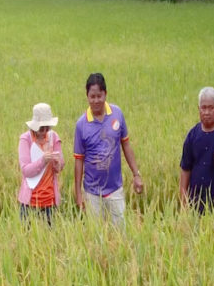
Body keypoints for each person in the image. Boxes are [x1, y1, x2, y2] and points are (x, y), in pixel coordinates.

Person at [73, 73, 143, 228]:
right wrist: (78, 193)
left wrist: (136, 174)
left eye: (99, 96)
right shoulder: (81, 124)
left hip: (115, 189)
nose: (96, 100)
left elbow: (126, 145)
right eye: (92, 96)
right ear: (87, 97)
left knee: (121, 234)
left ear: (105, 94)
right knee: (96, 238)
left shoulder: (116, 114)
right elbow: (79, 160)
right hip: (92, 192)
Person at [18, 103, 64, 224]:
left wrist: (57, 162)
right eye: (41, 128)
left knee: (50, 239)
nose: (44, 132)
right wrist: (43, 161)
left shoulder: (54, 137)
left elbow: (60, 167)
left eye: (47, 128)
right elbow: (26, 170)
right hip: (30, 201)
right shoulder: (25, 139)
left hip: (49, 200)